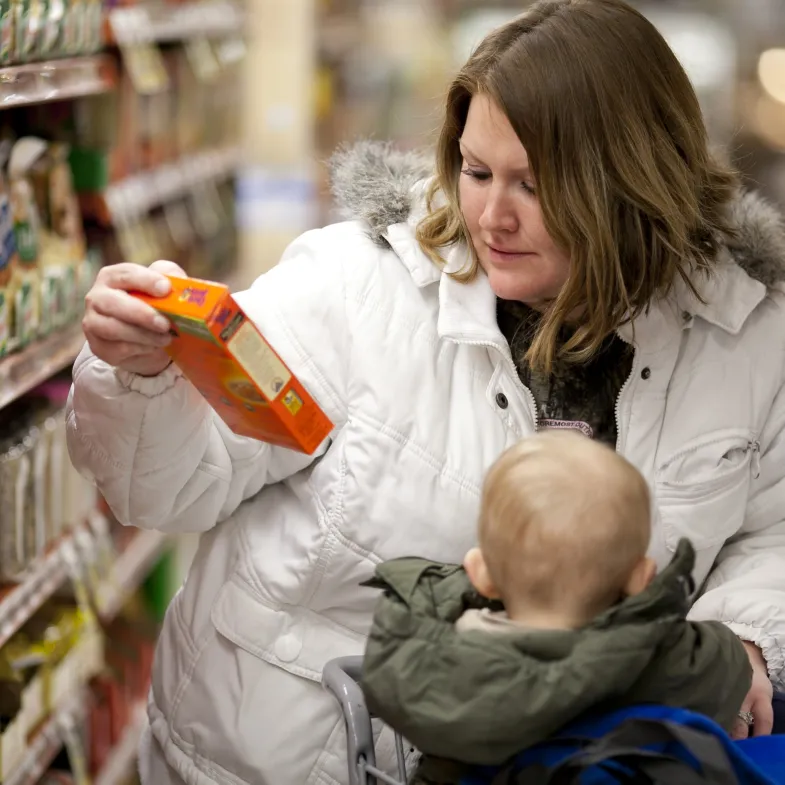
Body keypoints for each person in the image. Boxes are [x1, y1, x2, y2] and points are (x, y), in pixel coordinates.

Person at [66, 0, 785, 782]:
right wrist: (142, 375)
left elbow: (772, 526)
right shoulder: (353, 287)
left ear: (633, 181)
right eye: (475, 172)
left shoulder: (744, 336)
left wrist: (741, 632)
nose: (490, 215)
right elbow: (167, 492)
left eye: (534, 186)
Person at [360, 431, 752, 784]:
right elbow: (729, 666)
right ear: (640, 576)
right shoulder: (661, 656)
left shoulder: (435, 663)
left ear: (480, 573)